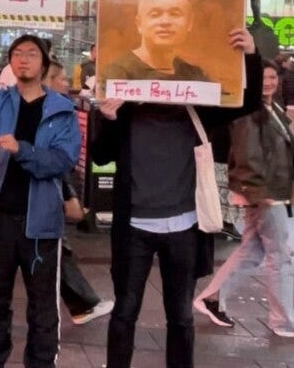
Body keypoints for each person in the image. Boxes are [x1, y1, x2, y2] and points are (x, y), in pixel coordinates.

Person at [93, 27, 261, 368]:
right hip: (134, 228)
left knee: (181, 316)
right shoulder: (122, 110)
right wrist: (107, 117)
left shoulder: (195, 110)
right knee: (125, 312)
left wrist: (251, 56)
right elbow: (99, 156)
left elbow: (248, 100)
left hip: (184, 226)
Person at [0, 17, 81, 368]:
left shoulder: (63, 110)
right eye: (17, 54)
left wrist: (22, 150)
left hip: (41, 225)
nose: (23, 59)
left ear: (45, 63)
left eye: (32, 54)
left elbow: (63, 160)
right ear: (10, 63)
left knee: (42, 308)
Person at [193, 60, 294, 337]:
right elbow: (248, 155)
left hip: (272, 191)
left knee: (254, 251)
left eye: (273, 77)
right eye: (263, 78)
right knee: (280, 256)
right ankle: (283, 321)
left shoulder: (272, 110)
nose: (269, 83)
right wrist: (261, 194)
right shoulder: (249, 112)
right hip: (264, 194)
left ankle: (212, 298)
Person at [102, 0, 211, 82]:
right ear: (139, 24)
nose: (165, 22)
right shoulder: (118, 73)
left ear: (189, 23)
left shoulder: (194, 74)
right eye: (155, 14)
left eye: (175, 14)